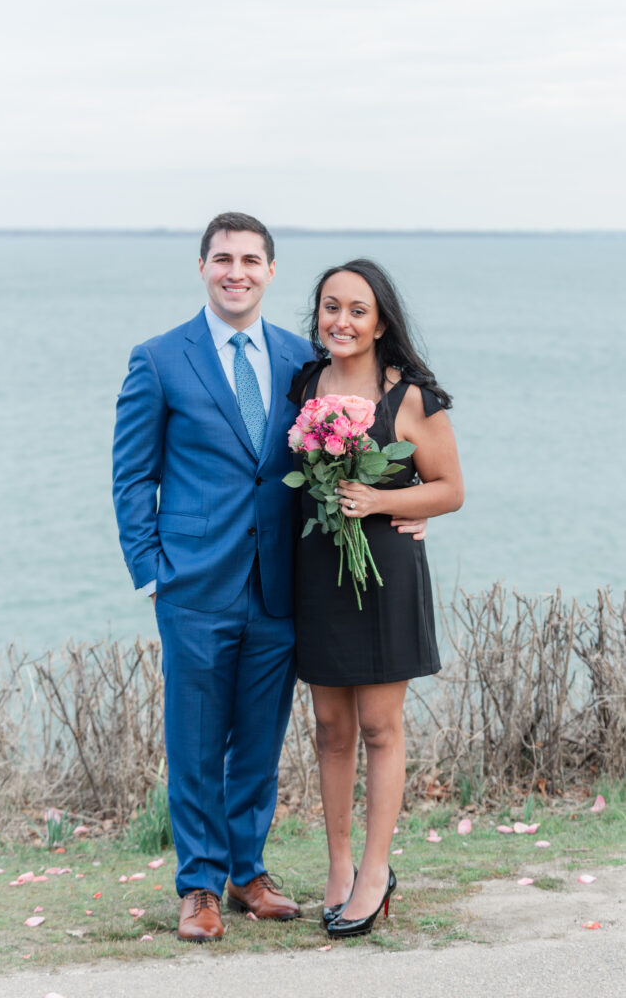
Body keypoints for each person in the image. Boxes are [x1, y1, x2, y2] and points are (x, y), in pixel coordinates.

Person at [112, 212, 315, 941]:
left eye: (251, 260)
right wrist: (152, 572)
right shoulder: (160, 358)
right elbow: (133, 475)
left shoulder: (303, 359)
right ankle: (196, 884)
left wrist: (403, 508)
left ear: (269, 272)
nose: (238, 271)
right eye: (223, 258)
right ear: (202, 266)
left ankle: (245, 872)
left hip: (279, 584)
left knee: (259, 741)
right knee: (196, 741)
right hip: (194, 586)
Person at [291, 258, 464, 939]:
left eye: (357, 310)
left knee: (379, 729)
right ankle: (335, 868)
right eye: (331, 307)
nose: (342, 320)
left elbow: (449, 488)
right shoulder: (305, 383)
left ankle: (374, 870)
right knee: (330, 730)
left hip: (385, 572)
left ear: (380, 321)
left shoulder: (411, 395)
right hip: (317, 570)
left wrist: (381, 499)